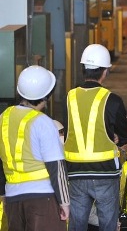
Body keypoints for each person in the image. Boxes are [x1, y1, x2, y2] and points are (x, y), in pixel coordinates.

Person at [64, 43, 127, 231]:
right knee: (108, 224)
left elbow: (69, 130)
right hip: (105, 172)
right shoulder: (112, 99)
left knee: (77, 224)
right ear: (105, 71)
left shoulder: (70, 97)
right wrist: (117, 138)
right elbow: (123, 135)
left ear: (83, 69)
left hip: (75, 172)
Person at [0, 65, 70, 230]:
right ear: (47, 96)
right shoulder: (43, 122)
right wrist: (64, 202)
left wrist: (3, 193)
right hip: (43, 199)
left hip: (13, 199)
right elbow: (56, 167)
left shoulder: (3, 118)